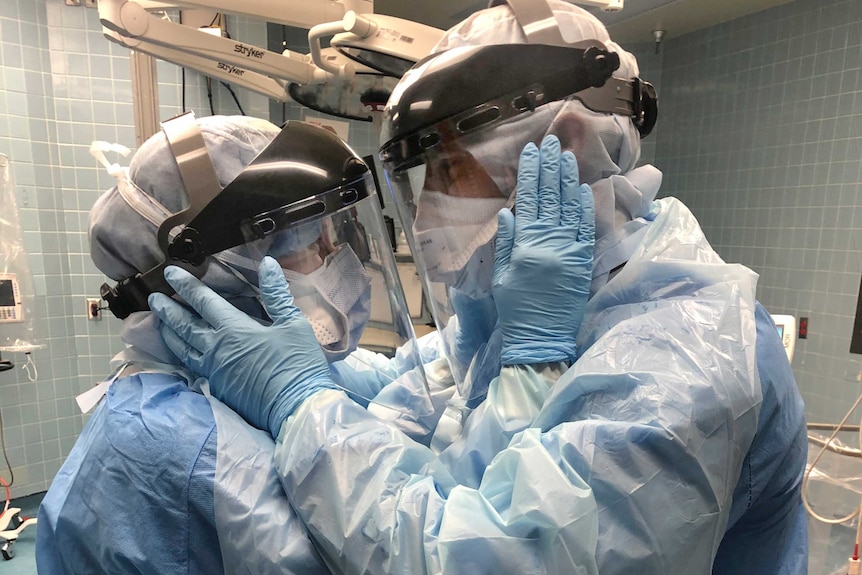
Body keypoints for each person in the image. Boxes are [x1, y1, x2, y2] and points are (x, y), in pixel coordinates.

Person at [151, 2, 808, 574]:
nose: (425, 214)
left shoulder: (688, 364)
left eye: (450, 170)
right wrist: (309, 373)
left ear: (566, 145)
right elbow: (423, 390)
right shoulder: (539, 298)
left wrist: (301, 404)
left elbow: (471, 556)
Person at [36, 112, 429, 574]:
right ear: (210, 265)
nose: (334, 256)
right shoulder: (182, 443)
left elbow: (403, 386)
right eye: (313, 241)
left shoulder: (264, 373)